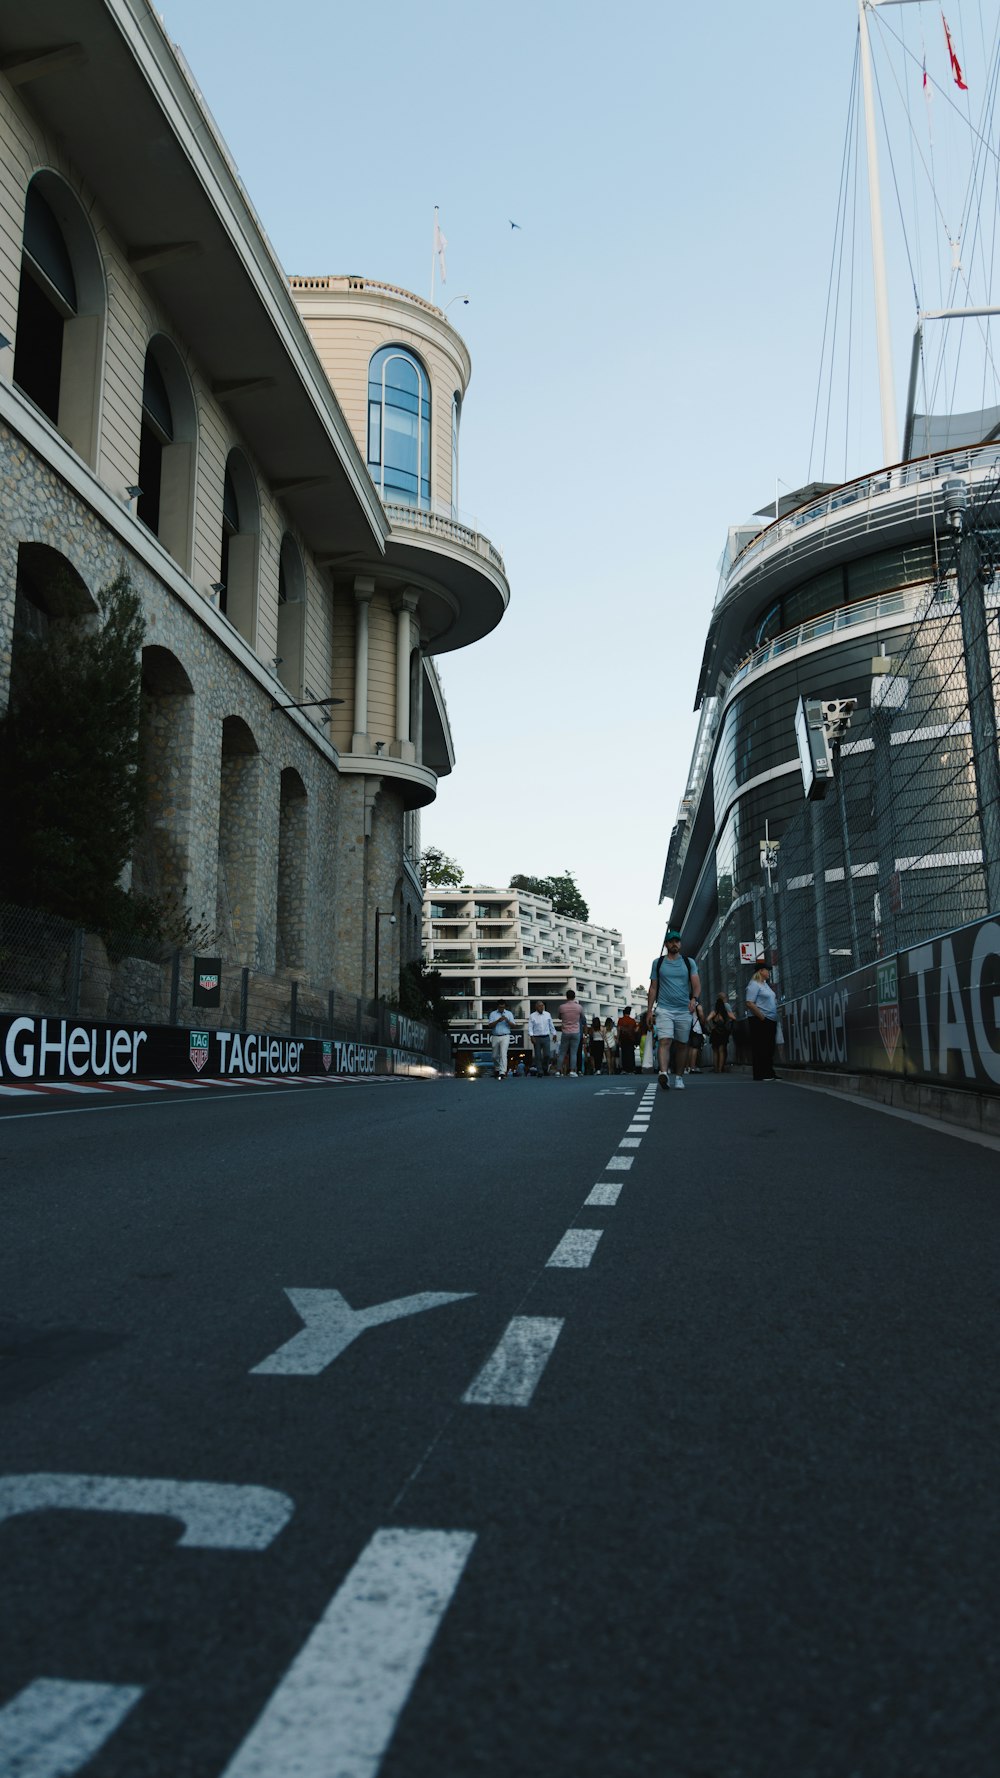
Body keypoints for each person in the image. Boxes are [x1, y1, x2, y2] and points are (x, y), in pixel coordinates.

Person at [647, 928, 701, 1092]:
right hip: (664, 1009)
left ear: (680, 944)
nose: (674, 944)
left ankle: (679, 1077)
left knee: (682, 1045)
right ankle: (663, 1073)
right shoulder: (659, 963)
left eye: (677, 941)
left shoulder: (688, 962)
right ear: (666, 944)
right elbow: (653, 988)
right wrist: (649, 1010)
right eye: (671, 941)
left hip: (684, 1010)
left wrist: (694, 999)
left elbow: (696, 984)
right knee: (665, 1040)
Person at [746, 960, 779, 1081]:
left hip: (769, 1019)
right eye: (767, 970)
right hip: (760, 1020)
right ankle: (761, 1073)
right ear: (761, 971)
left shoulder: (764, 984)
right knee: (761, 1046)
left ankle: (769, 1071)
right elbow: (749, 1002)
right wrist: (762, 1017)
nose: (769, 972)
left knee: (769, 1047)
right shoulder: (754, 984)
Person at [557, 989, 586, 1076]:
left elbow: (559, 1017)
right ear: (574, 997)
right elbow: (583, 1018)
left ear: (566, 997)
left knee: (562, 1052)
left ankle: (558, 1071)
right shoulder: (579, 1007)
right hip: (576, 1031)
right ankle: (572, 1071)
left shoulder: (562, 1007)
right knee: (574, 1053)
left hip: (565, 1031)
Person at [486, 999, 515, 1080]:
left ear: (505, 1006)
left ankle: (502, 1072)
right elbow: (490, 1025)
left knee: (503, 1054)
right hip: (495, 1035)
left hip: (505, 1036)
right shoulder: (493, 1014)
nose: (501, 1009)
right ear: (497, 1007)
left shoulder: (509, 1013)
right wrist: (498, 1021)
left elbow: (514, 1025)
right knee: (494, 1056)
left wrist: (507, 1020)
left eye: (503, 1007)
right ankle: (497, 1068)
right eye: (500, 1007)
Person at [708, 994, 736, 1073]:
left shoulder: (714, 1012)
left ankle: (716, 1068)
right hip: (723, 1032)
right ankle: (720, 1069)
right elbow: (734, 1018)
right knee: (721, 1051)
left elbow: (707, 1020)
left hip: (715, 1032)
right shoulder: (726, 1013)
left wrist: (711, 1027)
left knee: (715, 1051)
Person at [527, 1000, 555, 1077]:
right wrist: (531, 1036)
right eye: (539, 1006)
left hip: (546, 1036)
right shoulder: (532, 1016)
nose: (541, 1007)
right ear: (536, 1007)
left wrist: (554, 1033)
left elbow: (551, 1025)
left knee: (547, 1055)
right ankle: (540, 1071)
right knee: (538, 1055)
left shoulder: (547, 1014)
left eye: (542, 1005)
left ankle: (545, 1068)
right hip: (537, 1037)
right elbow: (530, 1027)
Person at [617, 1007, 639, 1073]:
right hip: (631, 1039)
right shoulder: (632, 1021)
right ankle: (631, 1069)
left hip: (623, 1039)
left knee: (624, 1054)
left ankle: (625, 1069)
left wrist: (618, 1039)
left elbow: (619, 1029)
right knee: (631, 1054)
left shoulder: (620, 1020)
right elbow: (635, 1030)